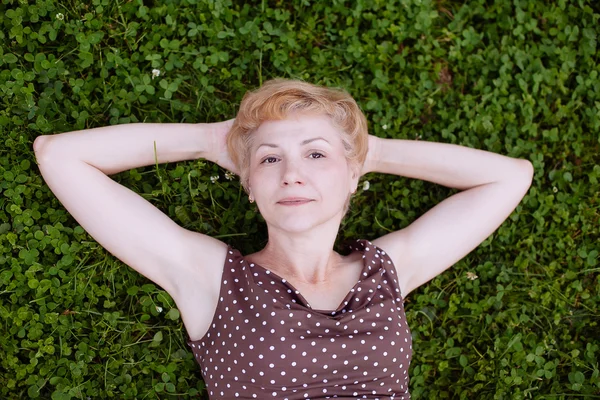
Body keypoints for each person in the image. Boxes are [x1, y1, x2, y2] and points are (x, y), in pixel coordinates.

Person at [34, 78, 534, 399]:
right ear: (248, 183)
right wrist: (214, 140)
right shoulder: (211, 280)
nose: (292, 174)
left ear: (352, 175)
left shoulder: (386, 272)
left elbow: (509, 178)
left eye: (316, 155)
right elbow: (59, 156)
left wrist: (369, 151)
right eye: (271, 159)